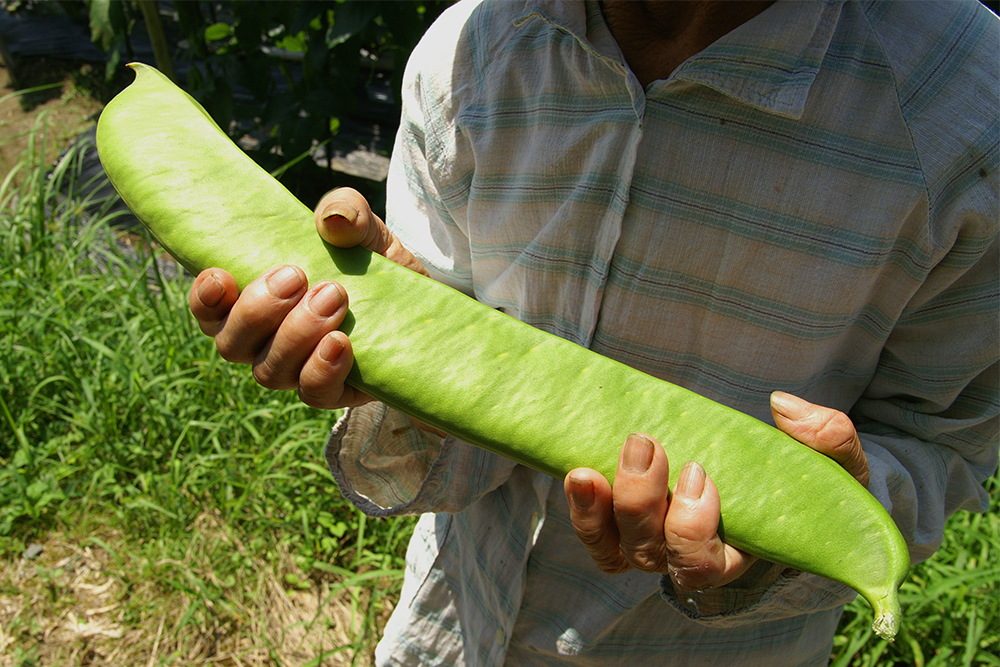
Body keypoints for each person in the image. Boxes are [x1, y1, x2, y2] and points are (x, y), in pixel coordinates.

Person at [188, 0, 999, 664]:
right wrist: (408, 370)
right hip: (452, 635)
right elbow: (447, 454)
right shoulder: (469, 53)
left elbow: (944, 444)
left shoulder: (969, 117)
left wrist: (800, 529)